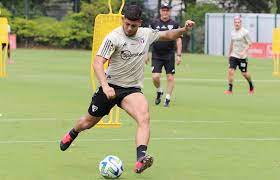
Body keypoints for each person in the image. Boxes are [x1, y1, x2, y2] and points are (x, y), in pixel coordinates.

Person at [59, 5, 194, 174]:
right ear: (123, 19)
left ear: (140, 23)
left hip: (131, 90)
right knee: (87, 123)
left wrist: (183, 29)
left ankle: (140, 159)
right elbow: (98, 62)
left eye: (133, 25)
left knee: (144, 117)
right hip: (110, 86)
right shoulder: (113, 37)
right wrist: (106, 86)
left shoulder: (146, 34)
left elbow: (167, 35)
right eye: (127, 24)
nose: (129, 28)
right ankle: (73, 133)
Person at [147, 2, 182, 107]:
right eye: (163, 10)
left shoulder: (175, 24)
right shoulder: (154, 23)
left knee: (170, 77)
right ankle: (159, 91)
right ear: (160, 11)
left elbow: (179, 40)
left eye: (167, 10)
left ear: (170, 11)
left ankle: (167, 98)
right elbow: (148, 39)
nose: (165, 12)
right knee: (155, 77)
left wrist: (179, 55)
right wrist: (145, 54)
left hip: (169, 55)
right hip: (156, 54)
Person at [224, 16, 254, 94]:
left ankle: (251, 85)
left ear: (241, 23)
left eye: (238, 22)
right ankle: (230, 89)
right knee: (230, 71)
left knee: (244, 73)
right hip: (234, 55)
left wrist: (244, 52)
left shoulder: (245, 32)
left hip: (242, 57)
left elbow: (250, 43)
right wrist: (229, 53)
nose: (237, 24)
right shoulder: (232, 32)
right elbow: (232, 43)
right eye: (235, 22)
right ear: (234, 23)